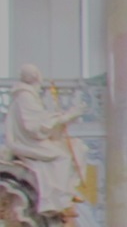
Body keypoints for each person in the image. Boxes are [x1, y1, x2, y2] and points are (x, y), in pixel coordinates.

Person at [4, 63, 87, 214]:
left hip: (33, 140)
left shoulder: (28, 96)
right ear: (37, 78)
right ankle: (54, 199)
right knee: (62, 157)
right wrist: (66, 117)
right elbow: (34, 127)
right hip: (26, 143)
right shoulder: (25, 97)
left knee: (77, 147)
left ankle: (68, 191)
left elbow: (40, 120)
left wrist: (61, 117)